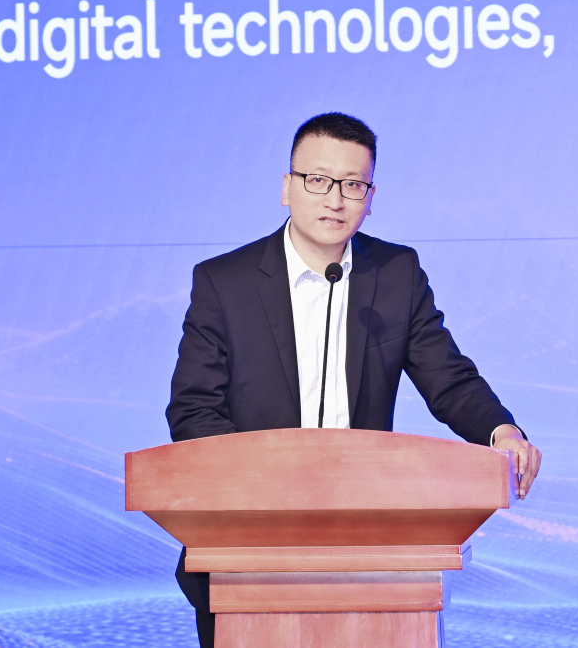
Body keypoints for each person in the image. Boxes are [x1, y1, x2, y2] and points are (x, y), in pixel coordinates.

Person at [166, 112, 542, 648]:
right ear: (287, 188)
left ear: (370, 197)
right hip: (247, 551)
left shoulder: (396, 274)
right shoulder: (224, 282)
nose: (335, 199)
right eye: (318, 180)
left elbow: (449, 378)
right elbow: (193, 411)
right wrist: (256, 490)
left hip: (371, 549)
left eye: (352, 185)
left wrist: (501, 430)